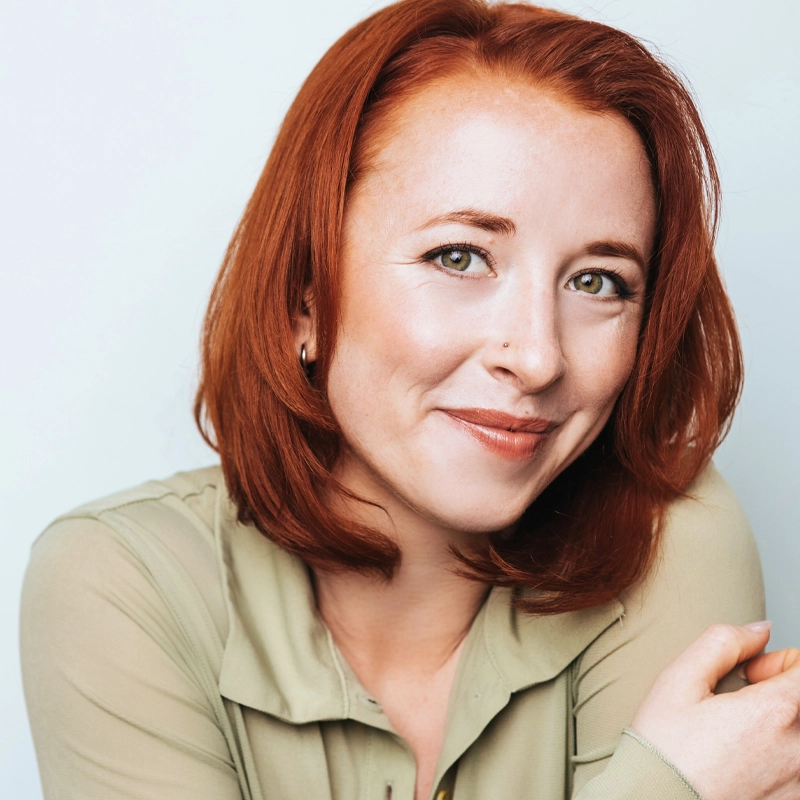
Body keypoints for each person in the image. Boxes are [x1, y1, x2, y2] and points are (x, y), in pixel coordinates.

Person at [19, 0, 800, 798]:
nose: (535, 356)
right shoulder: (121, 582)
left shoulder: (667, 533)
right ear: (304, 300)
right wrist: (669, 786)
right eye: (459, 256)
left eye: (598, 282)